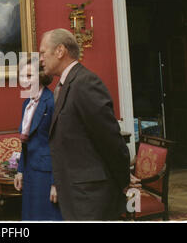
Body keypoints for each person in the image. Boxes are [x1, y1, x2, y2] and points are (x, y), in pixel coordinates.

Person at [39, 29, 130, 220]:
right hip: (76, 193)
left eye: (42, 53)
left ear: (60, 51)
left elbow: (110, 139)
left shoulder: (85, 82)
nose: (40, 59)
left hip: (91, 196)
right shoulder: (63, 85)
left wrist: (124, 181)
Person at [14, 57, 63, 221]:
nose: (24, 80)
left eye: (29, 75)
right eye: (22, 76)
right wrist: (20, 171)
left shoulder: (51, 102)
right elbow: (25, 144)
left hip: (47, 175)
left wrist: (56, 183)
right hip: (30, 173)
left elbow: (59, 144)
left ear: (40, 76)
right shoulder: (26, 104)